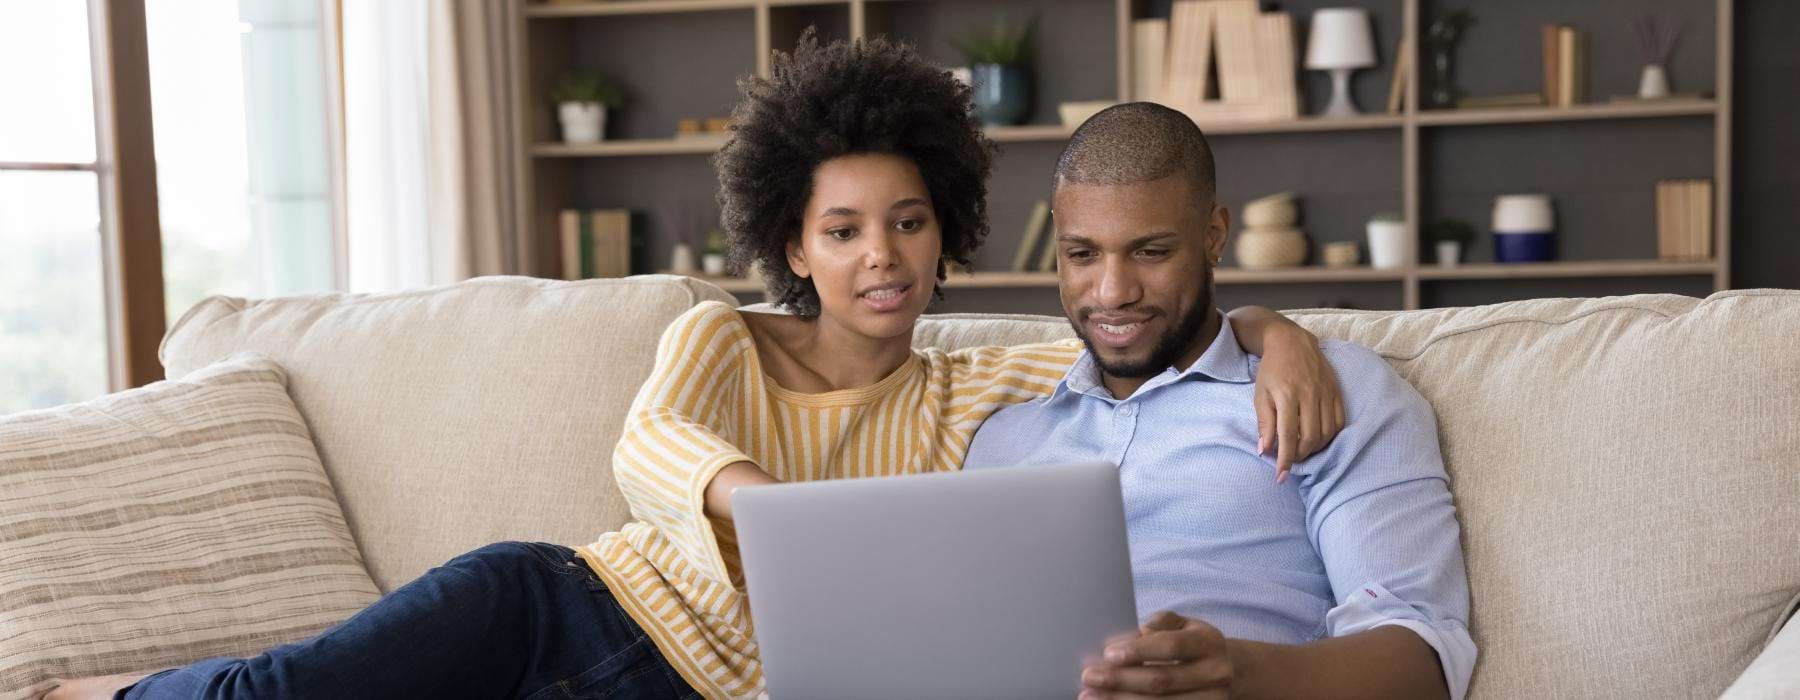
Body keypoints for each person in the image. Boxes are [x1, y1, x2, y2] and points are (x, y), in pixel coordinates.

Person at [48, 35, 1344, 700]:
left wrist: (1275, 333)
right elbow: (651, 447)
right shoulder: (723, 334)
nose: (881, 257)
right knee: (283, 695)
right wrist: (758, 504)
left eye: (907, 222)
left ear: (948, 228)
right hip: (563, 609)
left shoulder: (978, 384)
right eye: (843, 230)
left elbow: (1128, 333)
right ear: (795, 239)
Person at [962, 102, 1475, 700]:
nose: (1112, 292)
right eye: (1082, 254)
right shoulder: (1000, 433)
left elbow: (1423, 662)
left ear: (1214, 237)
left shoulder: (1328, 391)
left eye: (1150, 252)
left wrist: (1241, 673)